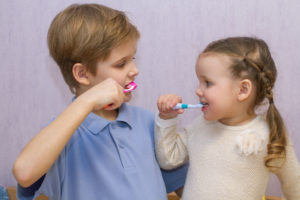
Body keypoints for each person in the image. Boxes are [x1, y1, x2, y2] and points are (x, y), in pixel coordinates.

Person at [13, 4, 187, 200]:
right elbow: (24, 173)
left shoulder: (148, 123)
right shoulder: (61, 136)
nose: (134, 70)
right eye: (121, 64)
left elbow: (188, 188)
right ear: (82, 74)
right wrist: (87, 100)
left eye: (133, 59)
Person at [155, 37, 300, 200]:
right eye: (199, 82)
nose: (198, 91)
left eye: (208, 83)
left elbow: (294, 185)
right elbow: (168, 159)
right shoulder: (200, 126)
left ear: (243, 89)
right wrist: (167, 118)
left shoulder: (269, 135)